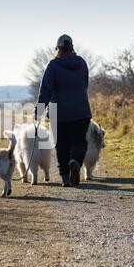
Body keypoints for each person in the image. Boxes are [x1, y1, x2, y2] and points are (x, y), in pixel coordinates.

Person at [34, 34, 92, 187]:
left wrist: (39, 111)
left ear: (58, 49)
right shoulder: (82, 63)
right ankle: (76, 162)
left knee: (61, 144)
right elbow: (84, 85)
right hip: (81, 110)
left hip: (58, 111)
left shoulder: (53, 65)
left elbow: (45, 91)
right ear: (72, 47)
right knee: (79, 142)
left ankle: (66, 176)